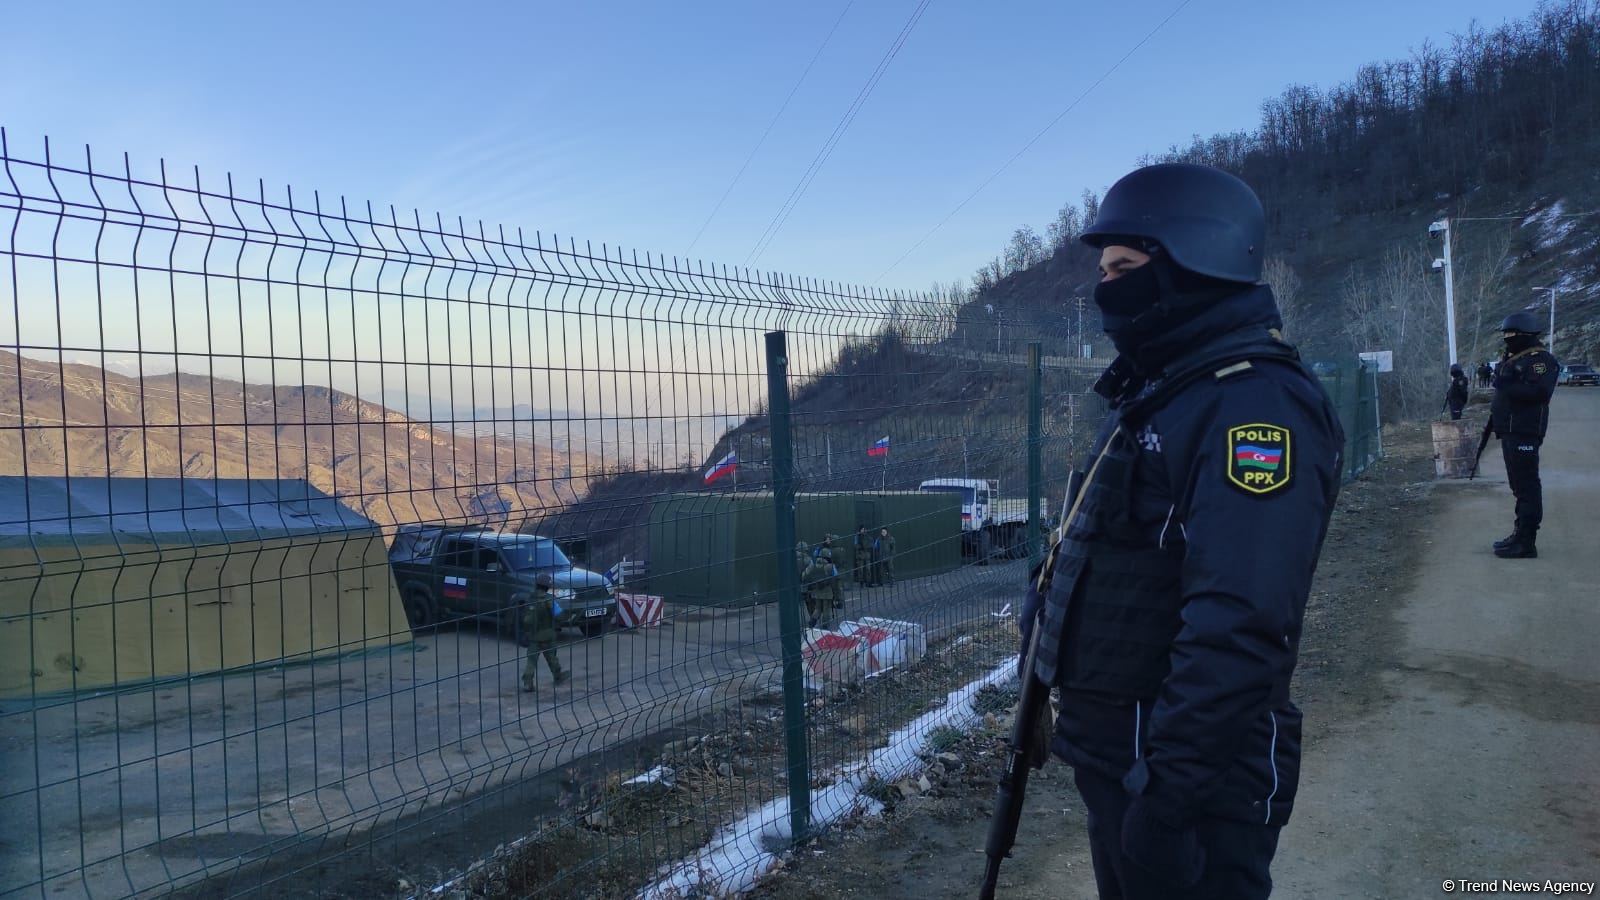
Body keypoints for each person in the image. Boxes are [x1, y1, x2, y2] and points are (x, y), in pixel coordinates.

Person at [1017, 163, 1344, 900]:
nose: (1106, 288)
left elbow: (1241, 620)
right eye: (1104, 269)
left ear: (1195, 260)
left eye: (1124, 267)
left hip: (1188, 785)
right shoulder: (1163, 393)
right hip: (1126, 760)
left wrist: (1168, 800)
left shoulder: (1253, 406)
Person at [1489, 311, 1559, 559]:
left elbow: (1540, 393)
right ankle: (1519, 533)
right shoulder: (1515, 358)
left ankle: (1527, 541)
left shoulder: (1540, 360)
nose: (1507, 339)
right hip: (1510, 431)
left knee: (1527, 486)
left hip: (1525, 432)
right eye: (1506, 334)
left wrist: (1505, 383)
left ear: (1526, 335)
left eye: (1512, 334)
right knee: (1518, 486)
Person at [519, 572, 569, 693]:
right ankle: (558, 676)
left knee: (531, 661)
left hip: (533, 637)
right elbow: (559, 616)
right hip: (548, 635)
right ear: (547, 586)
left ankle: (527, 682)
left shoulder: (529, 598)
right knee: (552, 658)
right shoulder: (549, 599)